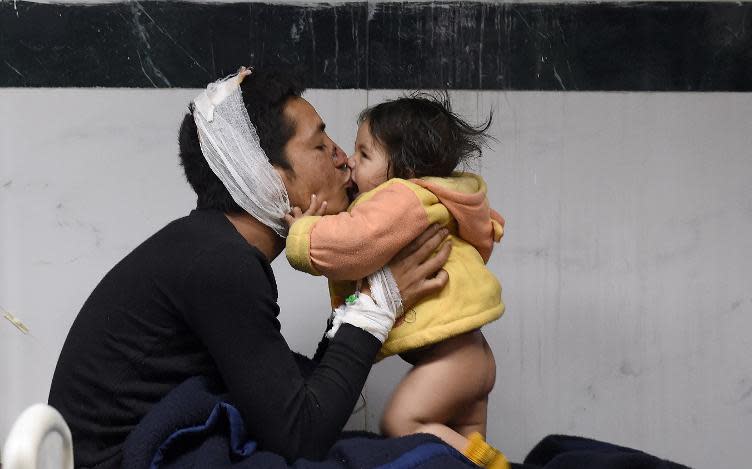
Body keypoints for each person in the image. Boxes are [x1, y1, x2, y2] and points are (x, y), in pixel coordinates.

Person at [47, 67, 451, 468]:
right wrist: (376, 305)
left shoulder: (209, 247)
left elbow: (292, 402)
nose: (343, 158)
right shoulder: (220, 264)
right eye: (319, 145)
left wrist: (363, 303)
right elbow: (301, 435)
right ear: (267, 176)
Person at [283, 92, 508, 469]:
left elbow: (354, 244)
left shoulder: (401, 198)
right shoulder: (425, 198)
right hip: (472, 354)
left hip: (452, 359)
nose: (350, 161)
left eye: (364, 154)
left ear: (404, 171)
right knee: (457, 452)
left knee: (401, 422)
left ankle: (493, 464)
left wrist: (304, 233)